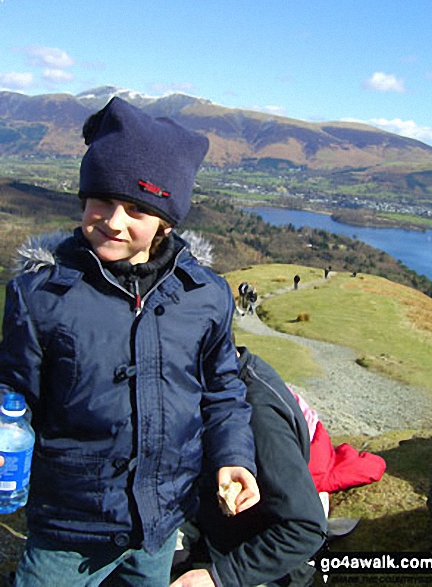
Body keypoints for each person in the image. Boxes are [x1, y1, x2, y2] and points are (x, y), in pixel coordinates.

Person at [0, 97, 259, 587]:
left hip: (158, 528)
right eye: (101, 198)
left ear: (167, 218)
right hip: (67, 528)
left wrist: (233, 458)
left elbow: (223, 390)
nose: (114, 220)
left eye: (138, 207)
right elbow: (13, 397)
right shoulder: (40, 295)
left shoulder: (204, 296)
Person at [172, 345, 327, 587]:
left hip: (260, 571)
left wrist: (218, 577)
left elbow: (306, 526)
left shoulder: (258, 417)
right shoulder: (234, 376)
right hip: (218, 538)